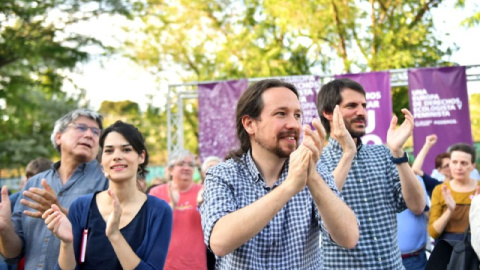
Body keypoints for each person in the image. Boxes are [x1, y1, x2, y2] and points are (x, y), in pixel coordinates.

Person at [200, 79, 359, 269]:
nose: (294, 124)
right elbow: (219, 242)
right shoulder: (222, 175)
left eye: (298, 115)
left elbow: (349, 237)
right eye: (281, 114)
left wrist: (312, 176)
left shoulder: (316, 169)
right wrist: (289, 187)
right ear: (250, 124)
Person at [316, 78, 425, 269]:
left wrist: (398, 153)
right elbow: (320, 212)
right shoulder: (316, 162)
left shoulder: (383, 154)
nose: (362, 112)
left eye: (364, 106)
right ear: (327, 113)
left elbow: (417, 205)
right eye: (351, 106)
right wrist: (348, 154)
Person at [42, 120, 173, 269]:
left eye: (126, 149)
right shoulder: (81, 207)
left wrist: (115, 236)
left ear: (141, 156)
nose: (116, 156)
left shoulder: (159, 210)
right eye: (109, 151)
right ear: (102, 159)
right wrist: (67, 243)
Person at [0, 108, 108, 270]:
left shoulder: (106, 181)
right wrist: (5, 227)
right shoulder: (34, 183)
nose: (89, 135)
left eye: (95, 132)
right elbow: (13, 253)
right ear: (59, 137)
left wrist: (62, 212)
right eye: (81, 128)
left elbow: (106, 240)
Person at [149, 150, 206, 270]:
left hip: (196, 265)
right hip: (164, 265)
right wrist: (171, 206)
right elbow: (150, 228)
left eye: (190, 165)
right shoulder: (156, 192)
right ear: (170, 169)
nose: (186, 168)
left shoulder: (203, 192)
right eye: (181, 164)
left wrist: (203, 205)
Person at [428, 143, 480, 241]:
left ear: (473, 166)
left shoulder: (478, 188)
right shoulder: (440, 190)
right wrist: (450, 210)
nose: (458, 167)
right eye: (454, 162)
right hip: (450, 250)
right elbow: (433, 232)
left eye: (464, 163)